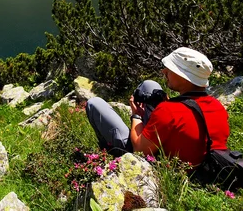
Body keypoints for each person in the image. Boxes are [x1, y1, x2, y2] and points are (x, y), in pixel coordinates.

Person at [86, 47, 230, 167]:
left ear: (183, 77)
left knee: (94, 104)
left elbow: (139, 150)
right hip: (202, 162)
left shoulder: (169, 110)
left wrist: (136, 115)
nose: (164, 72)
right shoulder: (218, 106)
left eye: (170, 69)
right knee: (150, 86)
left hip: (154, 161)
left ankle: (111, 152)